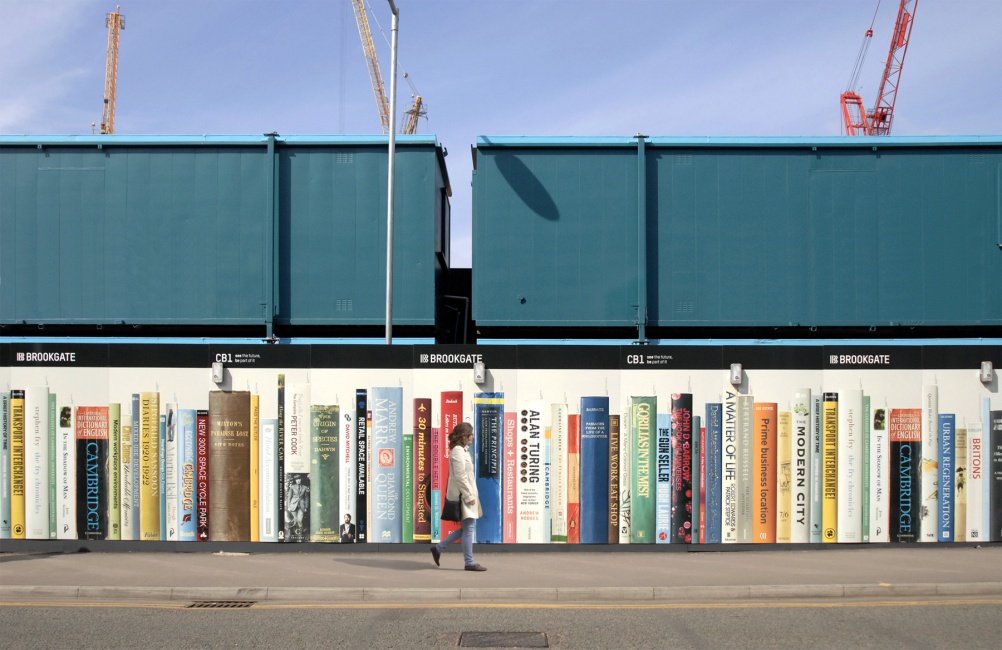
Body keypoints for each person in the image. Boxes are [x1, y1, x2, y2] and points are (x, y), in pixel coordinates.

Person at [430, 422, 486, 571]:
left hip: (468, 494)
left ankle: (438, 548)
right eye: (470, 434)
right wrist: (468, 496)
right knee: (468, 529)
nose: (472, 437)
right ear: (464, 436)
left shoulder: (463, 451)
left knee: (467, 528)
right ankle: (469, 563)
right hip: (463, 496)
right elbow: (460, 476)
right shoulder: (457, 452)